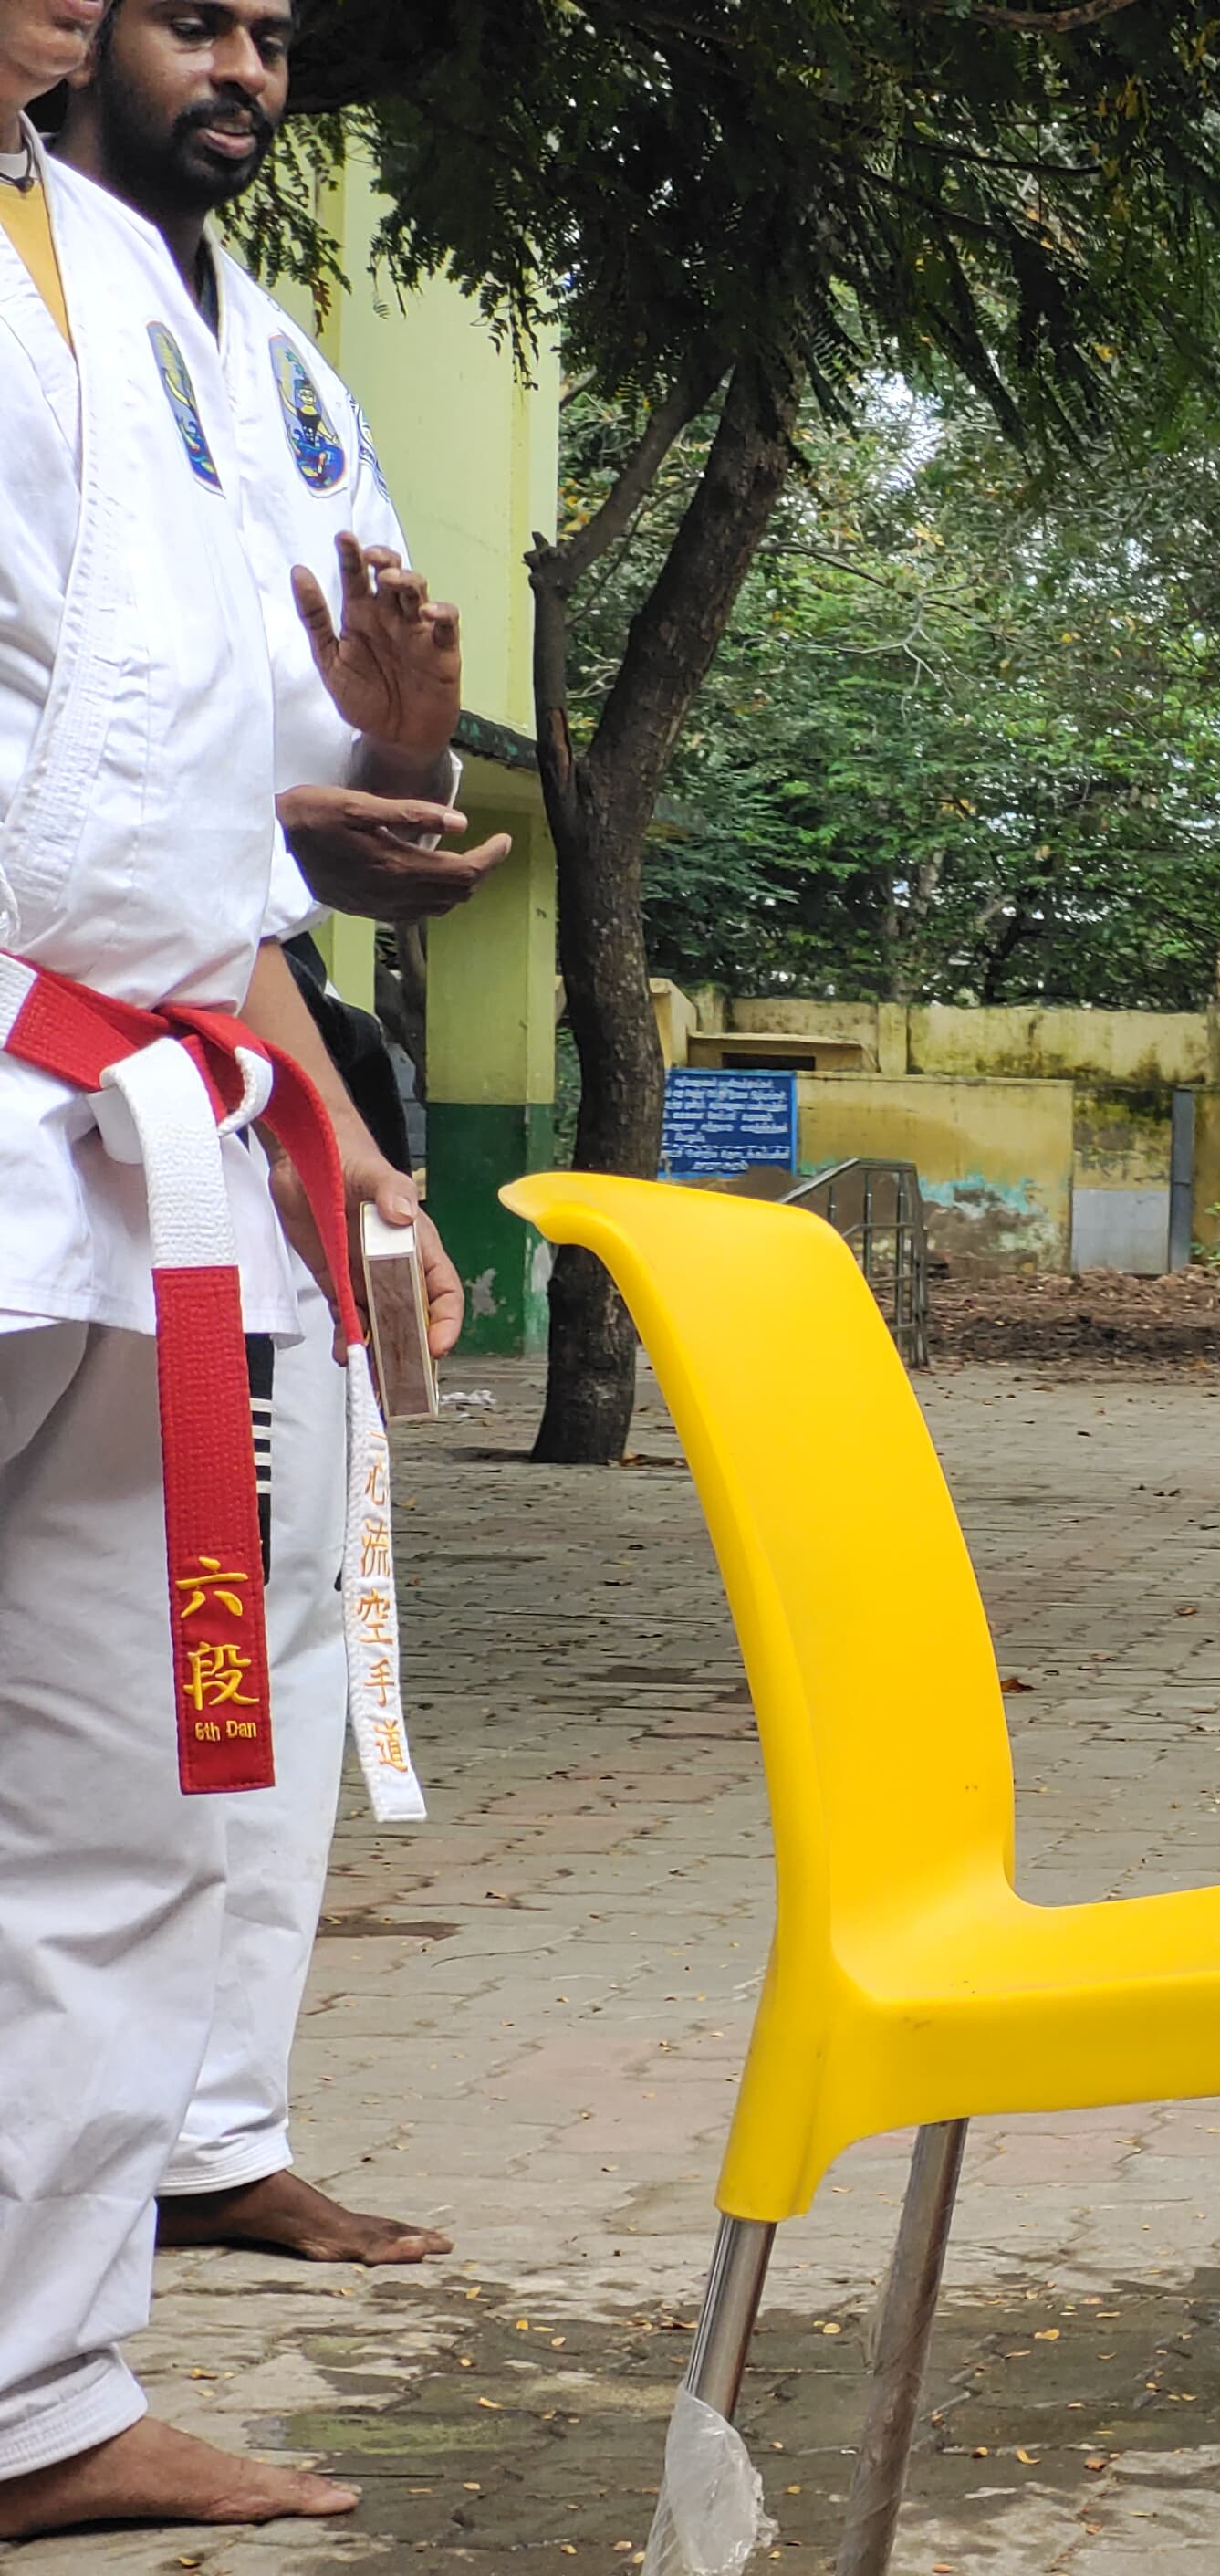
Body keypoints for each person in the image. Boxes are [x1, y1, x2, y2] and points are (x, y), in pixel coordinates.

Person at [56, 0, 480, 2274]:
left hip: (226, 1061)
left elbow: (285, 787)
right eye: (190, 21)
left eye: (275, 36)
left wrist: (396, 760)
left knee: (263, 1611)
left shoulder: (269, 356)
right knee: (112, 1692)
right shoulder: (49, 298)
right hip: (90, 1059)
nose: (245, 70)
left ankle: (214, 2131)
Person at [0, 0, 365, 2537]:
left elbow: (232, 756)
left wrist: (318, 1095)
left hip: (143, 1138)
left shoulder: (126, 279)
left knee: (133, 1786)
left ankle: (35, 2395)